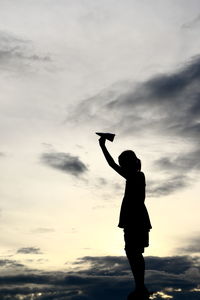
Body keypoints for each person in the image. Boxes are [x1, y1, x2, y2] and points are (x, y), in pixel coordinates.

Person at [98, 137, 152, 298]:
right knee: (132, 251)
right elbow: (113, 165)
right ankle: (140, 287)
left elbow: (112, 165)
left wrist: (102, 145)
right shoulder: (134, 176)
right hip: (133, 218)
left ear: (129, 163)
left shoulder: (137, 176)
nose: (121, 166)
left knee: (133, 251)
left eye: (123, 163)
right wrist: (103, 146)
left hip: (136, 218)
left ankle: (141, 287)